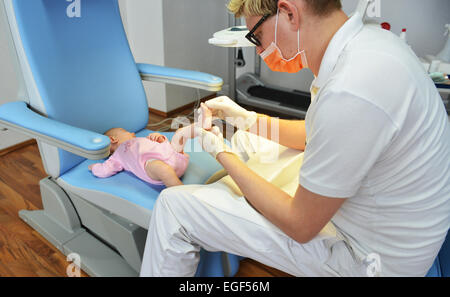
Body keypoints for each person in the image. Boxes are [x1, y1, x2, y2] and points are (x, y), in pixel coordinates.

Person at [140, 0, 450, 277]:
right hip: (392, 223)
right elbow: (315, 134)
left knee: (174, 207)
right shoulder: (366, 45)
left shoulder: (351, 89)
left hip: (368, 258)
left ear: (289, 13)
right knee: (248, 141)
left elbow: (300, 226)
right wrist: (246, 119)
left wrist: (221, 152)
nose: (259, 50)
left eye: (256, 37)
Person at [88, 127, 190, 187]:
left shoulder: (140, 140)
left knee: (180, 133)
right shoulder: (116, 157)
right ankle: (182, 196)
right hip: (152, 165)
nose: (133, 133)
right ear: (113, 139)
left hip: (172, 155)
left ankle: (200, 126)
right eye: (125, 131)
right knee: (163, 169)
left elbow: (156, 144)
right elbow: (104, 170)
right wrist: (94, 167)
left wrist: (158, 137)